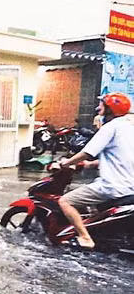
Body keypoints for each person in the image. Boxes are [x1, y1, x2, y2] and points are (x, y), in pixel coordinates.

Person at [54, 92, 134, 249]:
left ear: (110, 109)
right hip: (129, 185)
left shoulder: (110, 127)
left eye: (102, 106)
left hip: (112, 186)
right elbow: (120, 157)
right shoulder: (129, 128)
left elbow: (87, 152)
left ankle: (85, 238)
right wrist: (89, 165)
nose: (98, 108)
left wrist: (66, 163)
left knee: (65, 201)